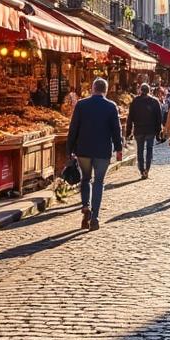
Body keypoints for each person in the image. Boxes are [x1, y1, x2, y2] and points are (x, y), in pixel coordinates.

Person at [66, 78, 122, 231]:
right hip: (102, 151)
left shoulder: (81, 104)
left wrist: (69, 149)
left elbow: (73, 128)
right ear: (106, 89)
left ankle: (85, 205)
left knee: (85, 179)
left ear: (92, 88)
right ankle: (95, 217)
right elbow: (116, 130)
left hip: (83, 149)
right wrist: (119, 149)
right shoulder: (111, 106)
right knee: (98, 182)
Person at [126, 84, 164, 180]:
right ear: (149, 91)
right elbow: (158, 119)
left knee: (140, 151)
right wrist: (158, 132)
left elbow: (130, 118)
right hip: (150, 130)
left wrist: (128, 131)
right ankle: (147, 169)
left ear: (140, 91)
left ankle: (142, 170)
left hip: (139, 130)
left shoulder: (135, 101)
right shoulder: (155, 101)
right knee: (149, 150)